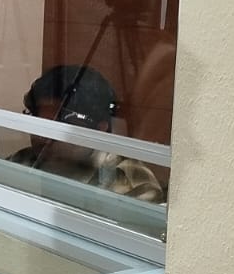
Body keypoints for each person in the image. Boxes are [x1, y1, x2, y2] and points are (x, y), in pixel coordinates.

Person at [8, 64, 164, 203]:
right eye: (39, 124)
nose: (43, 138)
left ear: (99, 128)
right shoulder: (23, 161)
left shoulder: (130, 183)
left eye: (59, 126)